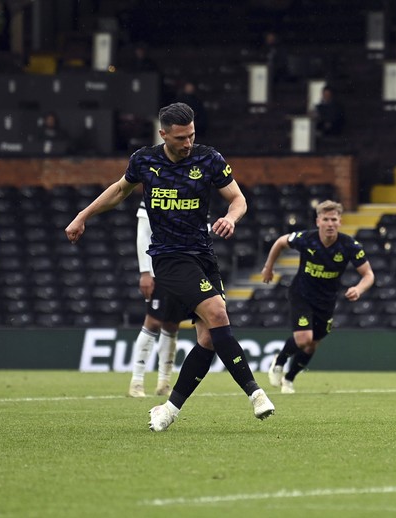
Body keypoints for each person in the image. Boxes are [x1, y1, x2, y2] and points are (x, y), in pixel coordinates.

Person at [65, 102, 274, 431]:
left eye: (191, 135)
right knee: (218, 313)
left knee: (207, 338)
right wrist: (82, 216)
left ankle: (168, 409)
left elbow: (238, 199)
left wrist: (231, 218)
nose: (188, 143)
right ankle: (256, 393)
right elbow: (119, 191)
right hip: (169, 258)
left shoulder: (209, 159)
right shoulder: (145, 160)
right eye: (180, 138)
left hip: (203, 256)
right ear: (163, 134)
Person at [262, 200, 374, 394]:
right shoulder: (307, 239)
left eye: (334, 219)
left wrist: (359, 289)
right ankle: (278, 362)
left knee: (312, 345)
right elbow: (281, 241)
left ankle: (289, 379)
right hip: (302, 294)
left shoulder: (349, 245)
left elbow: (369, 275)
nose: (330, 223)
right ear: (318, 221)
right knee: (305, 338)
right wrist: (268, 267)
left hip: (327, 301)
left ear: (340, 222)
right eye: (326, 219)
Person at [127, 200, 181, 398]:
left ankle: (164, 383)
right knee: (153, 321)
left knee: (172, 324)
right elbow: (143, 233)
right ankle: (137, 382)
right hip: (158, 270)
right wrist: (145, 272)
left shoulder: (193, 194)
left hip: (182, 271)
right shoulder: (154, 194)